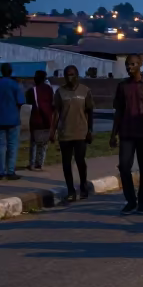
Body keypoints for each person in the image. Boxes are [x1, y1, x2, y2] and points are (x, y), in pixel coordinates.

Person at [110, 53, 143, 214]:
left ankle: (142, 201)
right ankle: (131, 200)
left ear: (140, 64)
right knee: (124, 167)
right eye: (127, 64)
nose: (129, 67)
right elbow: (118, 111)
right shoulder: (122, 86)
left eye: (133, 64)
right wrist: (113, 134)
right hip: (126, 132)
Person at [50, 65, 95, 202]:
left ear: (77, 75)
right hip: (65, 133)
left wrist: (90, 130)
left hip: (81, 132)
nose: (70, 77)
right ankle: (70, 191)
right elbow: (56, 112)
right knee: (66, 163)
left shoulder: (85, 91)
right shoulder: (60, 92)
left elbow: (90, 111)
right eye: (67, 75)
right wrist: (52, 131)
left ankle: (83, 186)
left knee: (80, 161)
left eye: (72, 74)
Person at [0, 63, 26, 180]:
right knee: (12, 146)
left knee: (0, 145)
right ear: (11, 71)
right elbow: (20, 102)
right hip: (13, 119)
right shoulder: (15, 85)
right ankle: (10, 171)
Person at [25, 69, 55, 171]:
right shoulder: (49, 89)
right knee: (43, 143)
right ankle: (40, 163)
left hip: (36, 119)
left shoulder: (32, 90)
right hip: (47, 120)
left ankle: (32, 163)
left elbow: (28, 101)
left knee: (34, 142)